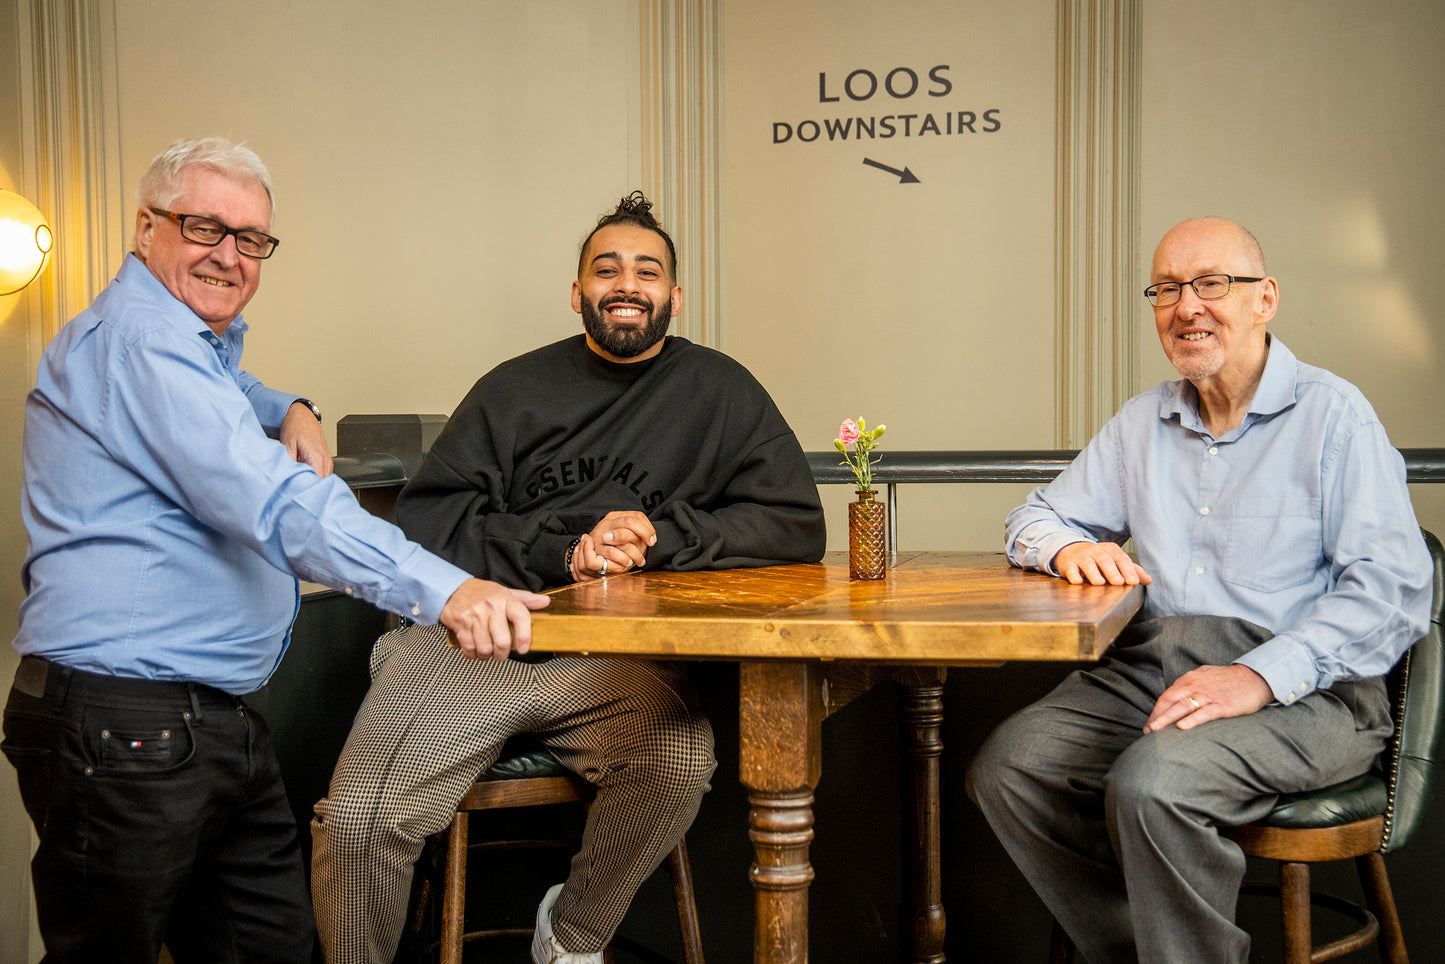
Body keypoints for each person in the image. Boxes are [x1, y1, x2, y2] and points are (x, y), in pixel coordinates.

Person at [0, 136, 548, 963]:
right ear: (146, 227)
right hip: (125, 723)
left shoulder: (185, 344)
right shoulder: (142, 342)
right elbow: (277, 503)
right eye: (203, 228)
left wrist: (290, 404)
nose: (229, 256)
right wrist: (448, 592)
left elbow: (233, 389)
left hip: (201, 721)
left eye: (251, 239)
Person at [309, 191, 827, 964]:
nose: (627, 284)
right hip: (472, 644)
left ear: (675, 295)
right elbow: (429, 520)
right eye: (606, 269)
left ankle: (571, 937)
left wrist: (658, 538)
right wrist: (565, 552)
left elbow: (794, 522)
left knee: (678, 764)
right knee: (358, 822)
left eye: (646, 271)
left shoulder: (720, 392)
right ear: (577, 290)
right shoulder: (513, 389)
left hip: (612, 664)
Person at [966, 216, 1433, 963]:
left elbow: (1393, 591)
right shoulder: (1140, 423)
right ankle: (1152, 951)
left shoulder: (1334, 415)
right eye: (1166, 289)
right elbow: (1033, 517)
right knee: (1011, 768)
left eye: (1211, 284)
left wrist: (1256, 675)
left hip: (1312, 692)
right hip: (1154, 670)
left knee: (1151, 785)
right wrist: (1070, 545)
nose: (1187, 307)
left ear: (1264, 298)